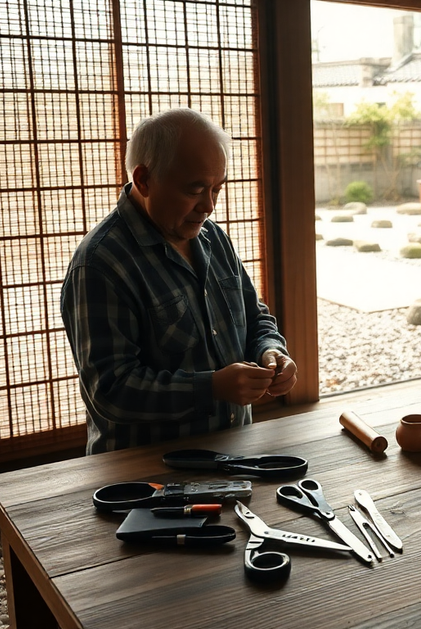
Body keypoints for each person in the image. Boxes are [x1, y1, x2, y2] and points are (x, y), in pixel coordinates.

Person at [61, 108, 296, 454]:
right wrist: (211, 387)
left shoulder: (212, 238)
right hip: (149, 471)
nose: (209, 206)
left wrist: (271, 351)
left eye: (217, 189)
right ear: (144, 180)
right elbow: (111, 391)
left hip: (234, 453)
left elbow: (255, 316)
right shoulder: (101, 264)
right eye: (195, 190)